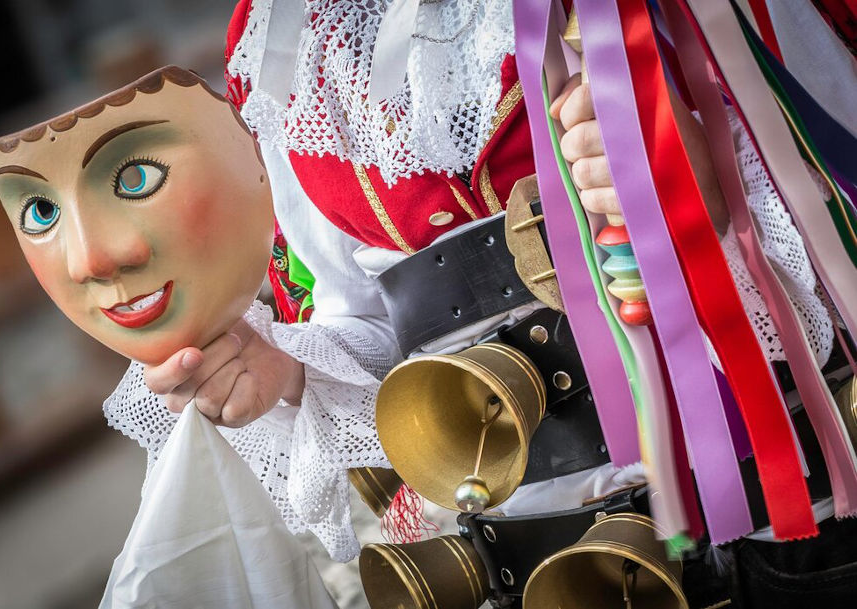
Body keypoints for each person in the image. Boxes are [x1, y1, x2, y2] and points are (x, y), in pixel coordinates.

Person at [104, 0, 854, 606]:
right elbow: (361, 315)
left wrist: (714, 197)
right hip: (549, 572)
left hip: (791, 528)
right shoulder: (279, 35)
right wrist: (281, 371)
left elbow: (838, 167)